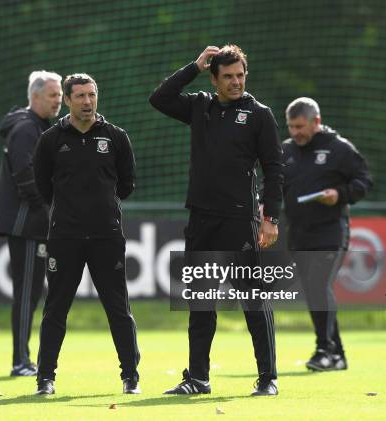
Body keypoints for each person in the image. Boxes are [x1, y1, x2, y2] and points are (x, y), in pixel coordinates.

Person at [149, 45, 283, 396]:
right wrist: (192, 66)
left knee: (252, 299)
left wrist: (270, 218)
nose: (236, 81)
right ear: (214, 78)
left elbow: (274, 169)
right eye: (228, 76)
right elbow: (160, 98)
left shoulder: (259, 114)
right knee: (200, 302)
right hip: (202, 219)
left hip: (239, 220)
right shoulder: (199, 106)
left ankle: (268, 378)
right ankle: (197, 378)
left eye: (240, 75)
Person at [33, 73, 140, 395]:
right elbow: (42, 185)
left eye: (91, 94)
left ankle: (130, 376)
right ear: (67, 100)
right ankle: (45, 378)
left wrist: (101, 208)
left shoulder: (116, 137)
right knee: (55, 310)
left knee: (118, 309)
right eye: (79, 96)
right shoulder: (51, 140)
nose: (87, 101)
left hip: (106, 236)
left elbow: (127, 184)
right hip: (65, 236)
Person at [282, 97, 372, 372]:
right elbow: (271, 182)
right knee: (312, 290)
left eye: (300, 126)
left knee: (319, 284)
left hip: (331, 230)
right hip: (298, 232)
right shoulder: (285, 150)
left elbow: (364, 180)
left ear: (316, 122)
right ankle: (337, 354)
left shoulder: (339, 149)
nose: (295, 132)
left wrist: (340, 194)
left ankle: (323, 350)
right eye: (290, 127)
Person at [0, 71, 63, 377]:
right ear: (35, 97)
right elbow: (25, 177)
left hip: (34, 222)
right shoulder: (25, 129)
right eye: (52, 95)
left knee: (34, 292)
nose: (58, 100)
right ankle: (20, 361)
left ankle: (24, 358)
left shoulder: (36, 126)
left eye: (60, 95)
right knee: (27, 293)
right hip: (27, 224)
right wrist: (46, 210)